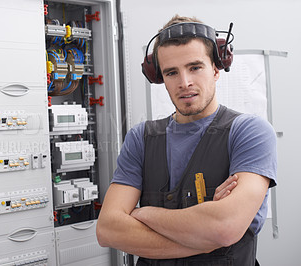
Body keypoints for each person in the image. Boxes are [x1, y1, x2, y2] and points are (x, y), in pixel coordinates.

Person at [96, 15, 277, 265]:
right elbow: (108, 230)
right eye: (171, 72)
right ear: (160, 78)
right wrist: (206, 237)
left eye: (195, 67)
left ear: (215, 68)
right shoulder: (141, 138)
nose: (184, 83)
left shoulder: (249, 132)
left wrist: (144, 213)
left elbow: (225, 227)